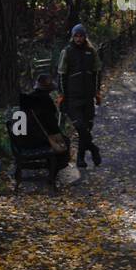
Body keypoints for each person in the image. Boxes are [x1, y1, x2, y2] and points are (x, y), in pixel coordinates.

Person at [58, 23, 103, 167]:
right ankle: (94, 149)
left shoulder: (91, 51)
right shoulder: (67, 51)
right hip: (73, 98)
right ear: (72, 36)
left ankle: (80, 158)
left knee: (87, 128)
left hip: (88, 97)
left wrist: (97, 92)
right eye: (76, 36)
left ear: (85, 37)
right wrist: (61, 95)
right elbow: (61, 75)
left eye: (81, 36)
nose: (78, 38)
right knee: (80, 127)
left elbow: (97, 72)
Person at [19, 73, 69, 165]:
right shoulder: (46, 102)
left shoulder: (27, 99)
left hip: (22, 139)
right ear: (49, 89)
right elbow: (51, 124)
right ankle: (57, 166)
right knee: (65, 141)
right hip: (40, 139)